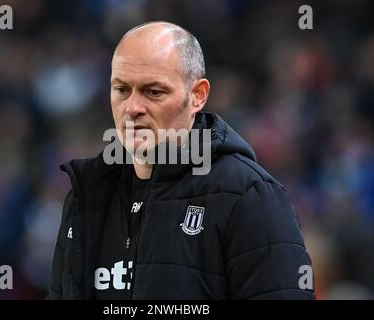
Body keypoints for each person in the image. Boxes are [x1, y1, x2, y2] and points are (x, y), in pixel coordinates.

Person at [46, 21, 316, 300]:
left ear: (197, 95)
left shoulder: (249, 197)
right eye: (122, 90)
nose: (133, 108)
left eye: (154, 92)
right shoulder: (86, 196)